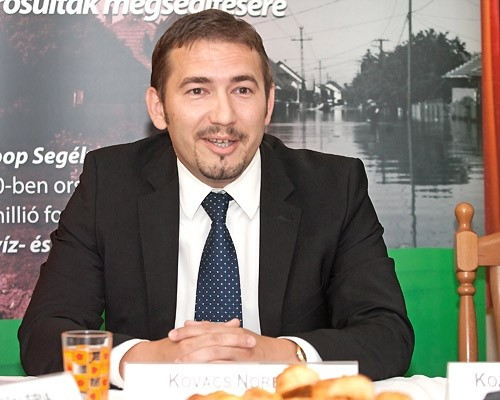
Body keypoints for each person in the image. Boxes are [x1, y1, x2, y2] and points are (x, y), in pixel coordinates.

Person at [18, 9, 414, 387]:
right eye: (197, 90)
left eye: (242, 90)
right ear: (159, 108)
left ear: (268, 104)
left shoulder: (333, 188)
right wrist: (142, 358)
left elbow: (386, 333)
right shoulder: (110, 183)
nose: (224, 116)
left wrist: (282, 355)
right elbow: (44, 333)